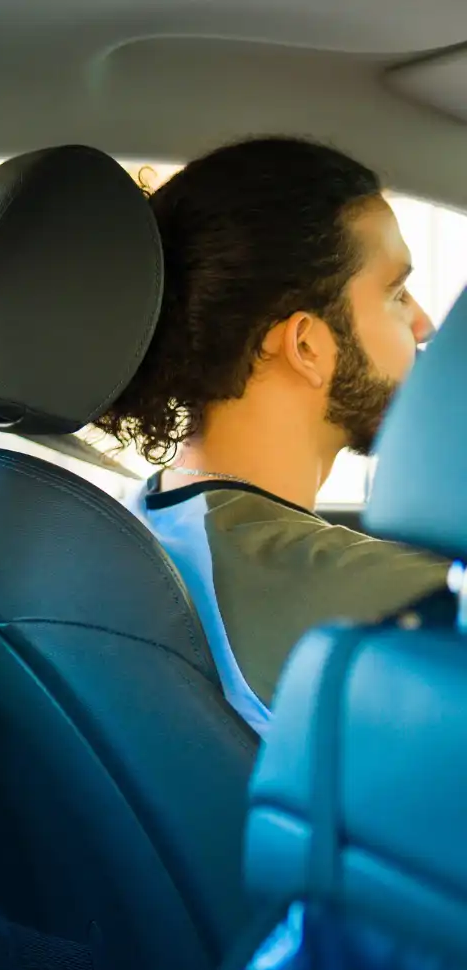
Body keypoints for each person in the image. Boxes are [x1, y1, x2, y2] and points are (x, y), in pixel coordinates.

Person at [96, 137, 450, 731]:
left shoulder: (152, 517)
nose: (424, 323)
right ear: (306, 344)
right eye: (395, 294)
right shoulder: (359, 591)